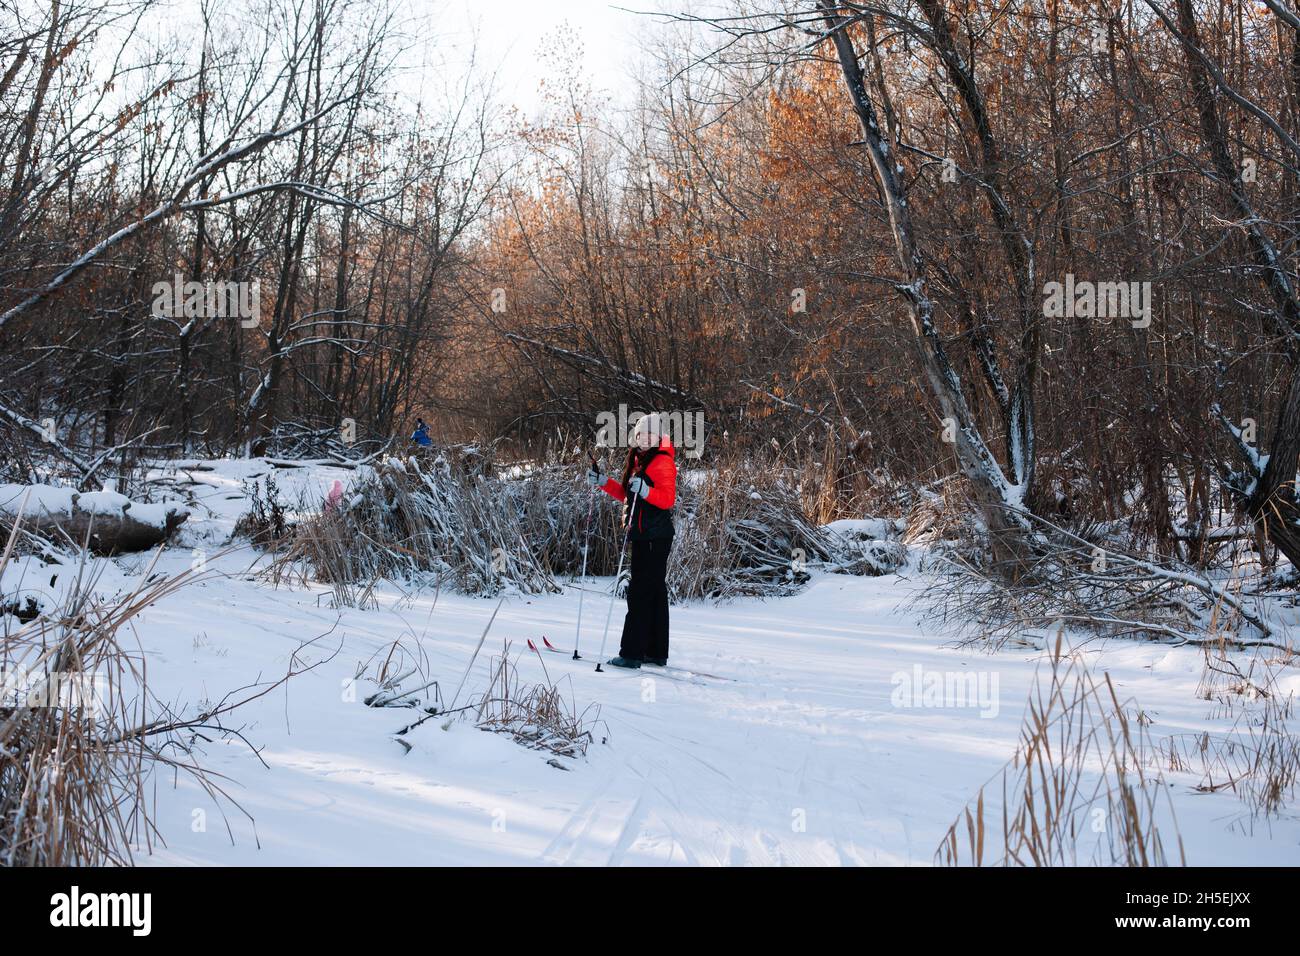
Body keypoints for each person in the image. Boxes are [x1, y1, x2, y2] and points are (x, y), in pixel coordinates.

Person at [587, 413, 676, 668]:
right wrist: (603, 482)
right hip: (646, 535)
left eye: (649, 434)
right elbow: (628, 495)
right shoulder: (639, 460)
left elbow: (667, 499)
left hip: (653, 536)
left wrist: (646, 490)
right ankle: (655, 652)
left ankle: (632, 653)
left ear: (658, 437)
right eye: (640, 434)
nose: (644, 438)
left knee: (639, 592)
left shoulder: (661, 462)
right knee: (655, 592)